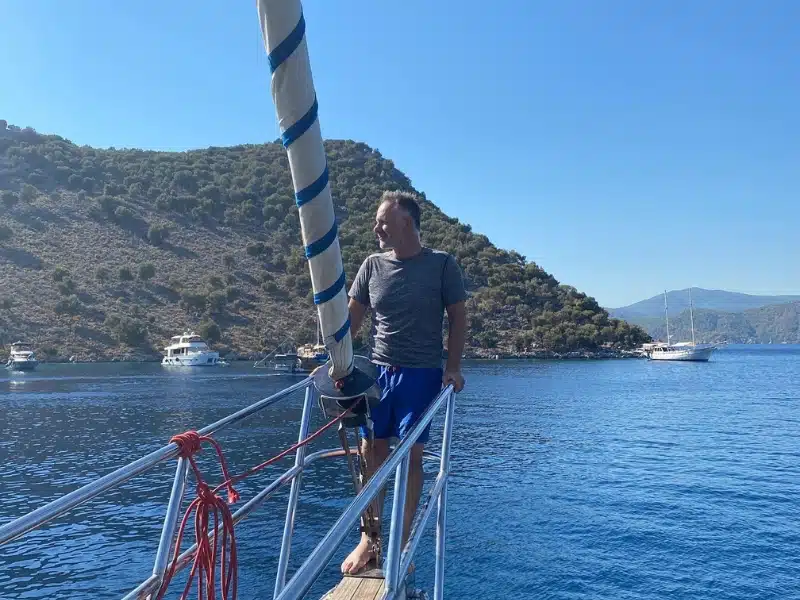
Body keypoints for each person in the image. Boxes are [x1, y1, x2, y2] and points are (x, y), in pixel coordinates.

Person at [341, 190, 468, 575]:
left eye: (382, 220)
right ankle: (371, 539)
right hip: (377, 373)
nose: (376, 227)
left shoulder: (443, 265)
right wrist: (338, 360)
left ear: (406, 223)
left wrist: (454, 367)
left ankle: (399, 543)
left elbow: (458, 318)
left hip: (422, 373)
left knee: (411, 457)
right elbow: (352, 319)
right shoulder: (371, 266)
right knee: (370, 449)